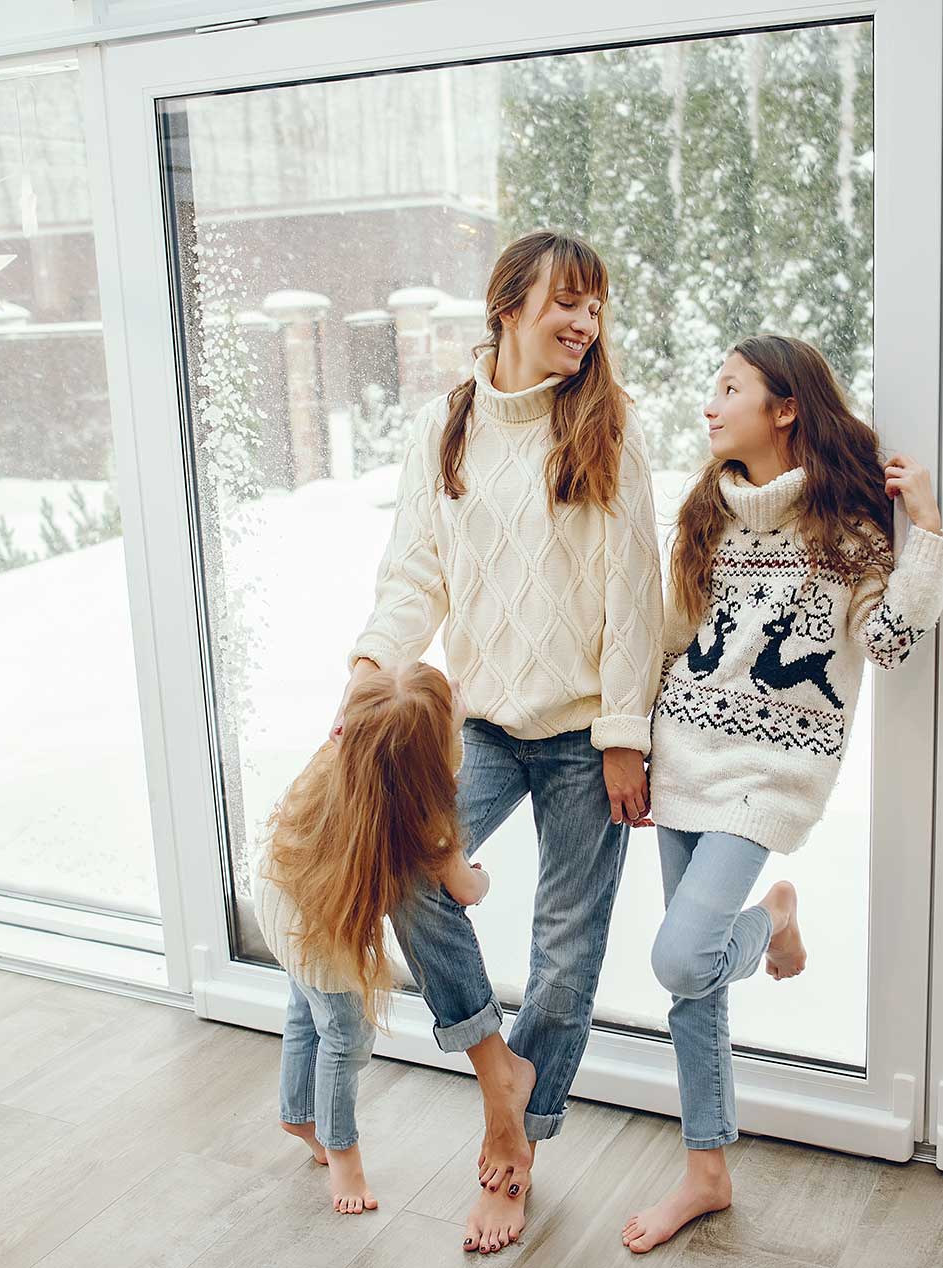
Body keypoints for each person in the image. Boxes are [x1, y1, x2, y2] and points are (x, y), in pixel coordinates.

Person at [338, 229, 663, 1253]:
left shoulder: (607, 426)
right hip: (477, 720)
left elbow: (635, 598)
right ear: (508, 305)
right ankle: (497, 1074)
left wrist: (622, 735)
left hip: (582, 737)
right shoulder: (445, 425)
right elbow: (413, 575)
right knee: (400, 868)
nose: (585, 323)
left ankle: (514, 1154)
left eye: (597, 307)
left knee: (564, 954)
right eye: (568, 300)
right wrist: (369, 665)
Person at [619, 334, 943, 1254]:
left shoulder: (844, 529)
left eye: (730, 388)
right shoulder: (704, 516)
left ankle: (767, 920)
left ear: (785, 408)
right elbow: (669, 640)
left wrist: (924, 528)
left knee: (684, 959)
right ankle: (707, 1171)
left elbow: (887, 643)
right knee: (695, 993)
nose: (710, 404)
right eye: (711, 388)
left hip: (772, 774)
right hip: (683, 752)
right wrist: (637, 750)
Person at [260, 663, 490, 1214]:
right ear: (429, 761)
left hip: (277, 898)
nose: (458, 705)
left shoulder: (340, 757)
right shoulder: (425, 820)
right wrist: (483, 877)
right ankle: (344, 1161)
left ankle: (298, 1113)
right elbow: (465, 889)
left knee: (304, 1005)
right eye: (450, 720)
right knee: (344, 1035)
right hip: (318, 932)